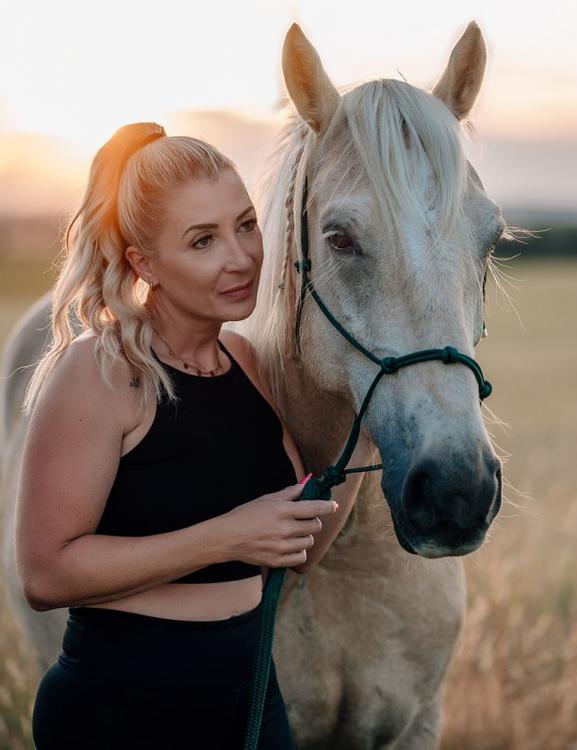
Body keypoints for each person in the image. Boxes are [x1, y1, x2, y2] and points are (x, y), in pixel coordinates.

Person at [15, 122, 367, 749]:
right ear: (143, 262)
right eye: (203, 240)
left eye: (247, 224)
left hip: (252, 703)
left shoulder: (245, 363)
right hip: (122, 709)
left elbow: (298, 549)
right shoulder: (103, 372)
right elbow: (45, 574)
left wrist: (363, 434)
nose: (241, 257)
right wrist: (227, 536)